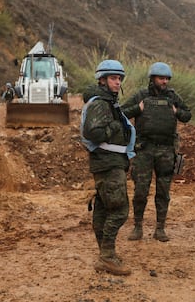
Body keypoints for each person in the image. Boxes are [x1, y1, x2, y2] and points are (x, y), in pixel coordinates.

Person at [121, 62, 192, 242]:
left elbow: (187, 115)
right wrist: (138, 109)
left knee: (163, 191)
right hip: (144, 149)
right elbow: (121, 112)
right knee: (140, 190)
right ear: (152, 79)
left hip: (166, 150)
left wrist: (176, 111)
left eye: (167, 79)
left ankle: (160, 228)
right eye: (161, 78)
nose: (165, 82)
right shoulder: (141, 95)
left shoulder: (173, 96)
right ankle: (138, 227)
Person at [80, 59, 136, 276]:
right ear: (102, 80)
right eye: (113, 78)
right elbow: (93, 131)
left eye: (119, 78)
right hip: (108, 163)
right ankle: (106, 256)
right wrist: (114, 126)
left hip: (110, 162)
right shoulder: (100, 103)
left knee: (103, 208)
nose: (117, 82)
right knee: (120, 210)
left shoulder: (107, 102)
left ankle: (105, 253)